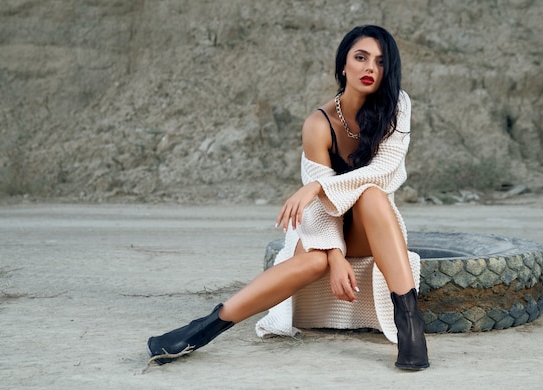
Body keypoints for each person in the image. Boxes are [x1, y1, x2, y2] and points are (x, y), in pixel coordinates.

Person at [147, 25, 429, 371]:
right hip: (324, 223)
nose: (370, 68)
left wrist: (316, 186)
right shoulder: (319, 124)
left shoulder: (397, 105)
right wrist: (336, 257)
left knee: (371, 195)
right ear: (343, 65)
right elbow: (321, 213)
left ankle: (411, 328)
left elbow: (385, 171)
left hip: (373, 225)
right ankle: (201, 331)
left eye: (380, 62)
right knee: (315, 262)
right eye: (361, 57)